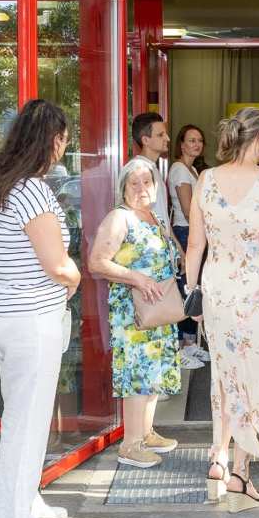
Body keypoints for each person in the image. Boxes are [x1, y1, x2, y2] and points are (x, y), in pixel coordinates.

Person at [185, 107, 259, 511]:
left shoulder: (206, 179)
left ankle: (218, 459)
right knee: (256, 375)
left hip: (218, 289)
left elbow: (195, 246)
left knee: (225, 373)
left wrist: (192, 293)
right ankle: (239, 472)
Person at [0, 99, 81, 518]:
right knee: (26, 424)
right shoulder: (33, 190)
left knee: (23, 415)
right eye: (64, 140)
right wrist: (74, 277)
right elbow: (56, 263)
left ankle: (27, 504)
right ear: (52, 140)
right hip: (30, 319)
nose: (64, 148)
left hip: (0, 313)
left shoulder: (1, 184)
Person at [88, 158, 182, 469]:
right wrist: (136, 278)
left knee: (154, 372)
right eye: (134, 183)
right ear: (123, 188)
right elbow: (97, 262)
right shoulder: (120, 217)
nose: (142, 188)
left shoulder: (154, 216)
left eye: (147, 182)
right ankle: (130, 445)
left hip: (158, 309)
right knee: (138, 375)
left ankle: (146, 433)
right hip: (134, 313)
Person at [168, 124, 208, 369]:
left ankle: (191, 343)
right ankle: (183, 346)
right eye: (191, 140)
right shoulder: (179, 169)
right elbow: (186, 210)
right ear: (181, 144)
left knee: (194, 288)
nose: (196, 144)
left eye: (200, 140)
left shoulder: (192, 169)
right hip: (185, 233)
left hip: (194, 232)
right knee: (187, 289)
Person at [130, 111, 171, 227]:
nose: (167, 138)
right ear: (145, 140)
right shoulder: (139, 169)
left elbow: (162, 217)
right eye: (160, 135)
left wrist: (171, 237)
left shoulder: (150, 167)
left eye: (166, 134)